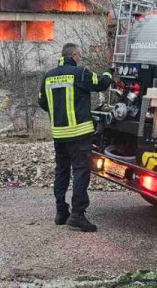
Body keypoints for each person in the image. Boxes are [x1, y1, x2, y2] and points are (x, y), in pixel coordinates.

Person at [38, 43, 112, 232]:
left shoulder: (48, 76)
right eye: (79, 55)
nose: (80, 58)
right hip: (78, 133)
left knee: (61, 170)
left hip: (59, 133)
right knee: (80, 171)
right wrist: (110, 72)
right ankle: (77, 215)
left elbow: (42, 102)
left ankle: (61, 211)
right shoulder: (80, 73)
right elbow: (101, 83)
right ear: (74, 55)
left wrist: (59, 113)